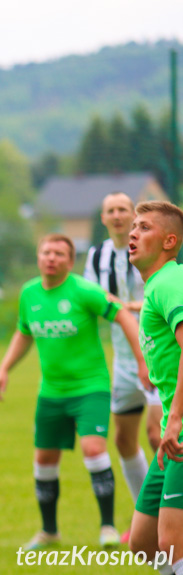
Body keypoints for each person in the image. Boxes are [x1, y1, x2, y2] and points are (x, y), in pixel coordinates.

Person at [0, 233, 149, 550]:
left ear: (69, 261)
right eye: (46, 252)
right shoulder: (29, 293)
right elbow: (25, 332)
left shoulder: (83, 290)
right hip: (51, 392)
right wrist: (5, 368)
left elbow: (123, 315)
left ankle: (107, 527)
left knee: (94, 449)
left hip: (90, 388)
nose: (52, 258)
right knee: (44, 459)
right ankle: (49, 532)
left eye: (59, 254)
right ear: (38, 257)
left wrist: (141, 361)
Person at [84, 192, 163, 541]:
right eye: (110, 210)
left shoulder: (152, 248)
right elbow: (93, 300)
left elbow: (159, 296)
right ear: (103, 218)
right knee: (124, 439)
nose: (117, 215)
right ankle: (144, 517)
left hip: (157, 356)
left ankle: (169, 512)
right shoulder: (97, 255)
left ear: (132, 214)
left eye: (122, 209)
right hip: (122, 360)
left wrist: (124, 305)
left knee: (158, 435)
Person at [126, 201, 183, 575]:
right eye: (133, 226)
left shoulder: (170, 281)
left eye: (144, 227)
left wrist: (176, 417)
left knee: (170, 542)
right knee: (143, 543)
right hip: (171, 431)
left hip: (179, 428)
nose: (132, 233)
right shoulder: (156, 287)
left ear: (169, 241)